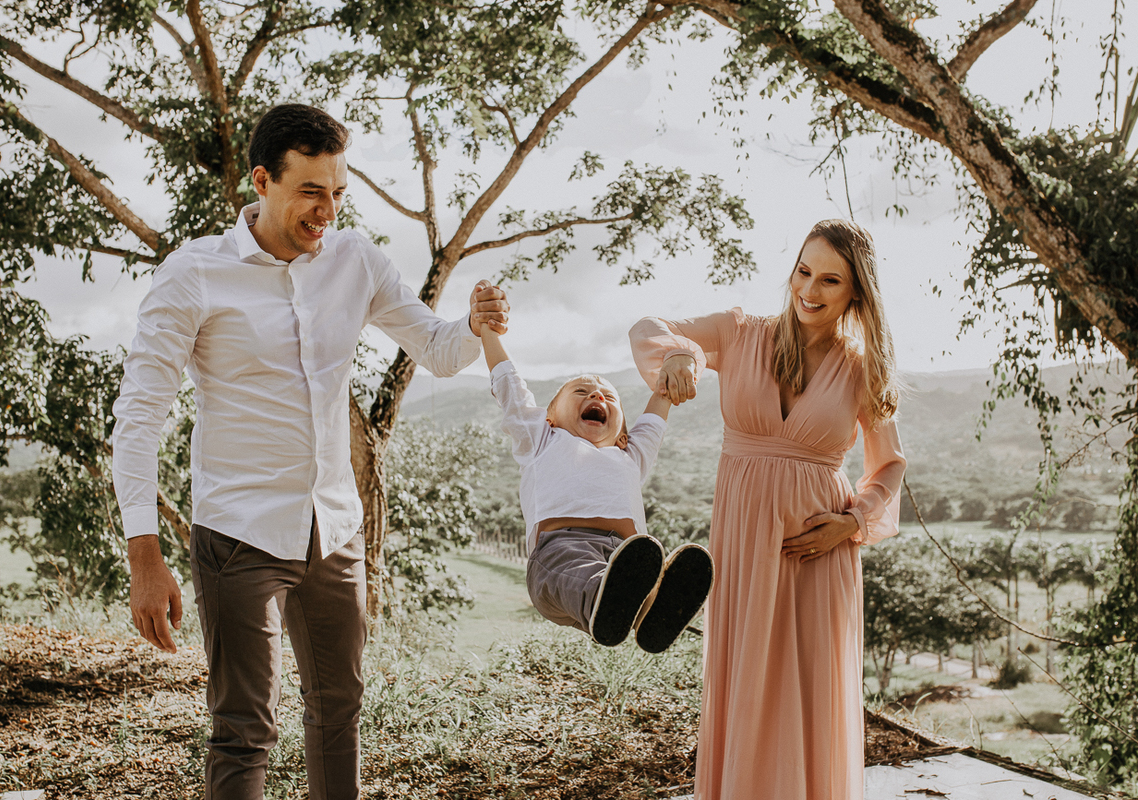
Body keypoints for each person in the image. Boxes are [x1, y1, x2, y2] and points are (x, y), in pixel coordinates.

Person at [111, 103, 509, 800]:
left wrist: (474, 326)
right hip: (239, 531)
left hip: (335, 531)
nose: (327, 211)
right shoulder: (194, 274)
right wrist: (144, 552)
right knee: (244, 727)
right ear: (262, 182)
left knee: (338, 710)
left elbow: (441, 351)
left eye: (337, 193)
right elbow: (140, 414)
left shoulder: (356, 261)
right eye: (310, 192)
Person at [630, 218, 907, 800]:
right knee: (748, 682)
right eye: (803, 271)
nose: (810, 289)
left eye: (831, 280)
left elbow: (889, 465)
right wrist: (681, 354)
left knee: (809, 688)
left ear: (856, 291)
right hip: (745, 542)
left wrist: (853, 522)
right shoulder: (738, 333)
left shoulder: (861, 368)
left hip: (820, 551)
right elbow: (648, 327)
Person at [480, 322, 713, 653]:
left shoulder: (630, 454)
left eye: (609, 397)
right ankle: (614, 601)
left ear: (622, 434)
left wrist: (670, 379)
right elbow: (509, 384)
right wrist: (488, 332)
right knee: (588, 573)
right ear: (550, 417)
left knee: (640, 571)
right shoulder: (541, 438)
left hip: (624, 556)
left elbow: (660, 404)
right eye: (581, 392)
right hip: (560, 552)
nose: (596, 395)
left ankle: (651, 612)